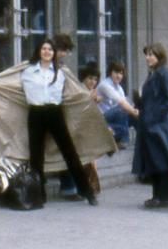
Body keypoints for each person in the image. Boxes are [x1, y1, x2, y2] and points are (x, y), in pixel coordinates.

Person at [20, 37, 97, 206]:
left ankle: (87, 191)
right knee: (36, 155)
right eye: (44, 49)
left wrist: (87, 96)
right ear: (39, 51)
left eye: (50, 49)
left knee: (69, 152)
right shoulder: (28, 71)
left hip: (55, 112)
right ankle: (38, 194)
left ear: (54, 53)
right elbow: (10, 85)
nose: (47, 52)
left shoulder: (61, 72)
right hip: (36, 112)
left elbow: (73, 92)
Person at [132, 43, 168, 208]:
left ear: (159, 56)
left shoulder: (163, 73)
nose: (148, 57)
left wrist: (153, 115)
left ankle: (162, 196)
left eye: (151, 54)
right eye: (147, 54)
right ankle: (160, 195)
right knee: (155, 160)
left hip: (157, 125)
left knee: (160, 160)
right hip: (150, 122)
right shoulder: (155, 74)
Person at [51, 33, 81, 198]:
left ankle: (70, 186)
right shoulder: (54, 66)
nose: (65, 54)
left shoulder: (58, 66)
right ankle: (69, 187)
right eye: (64, 50)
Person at [97, 61, 137, 148]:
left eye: (121, 73)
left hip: (115, 119)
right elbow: (121, 102)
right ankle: (123, 140)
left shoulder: (119, 88)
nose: (118, 76)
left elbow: (126, 104)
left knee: (131, 114)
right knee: (123, 108)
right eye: (116, 72)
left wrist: (136, 112)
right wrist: (135, 112)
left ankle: (144, 138)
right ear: (110, 72)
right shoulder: (105, 85)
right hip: (102, 118)